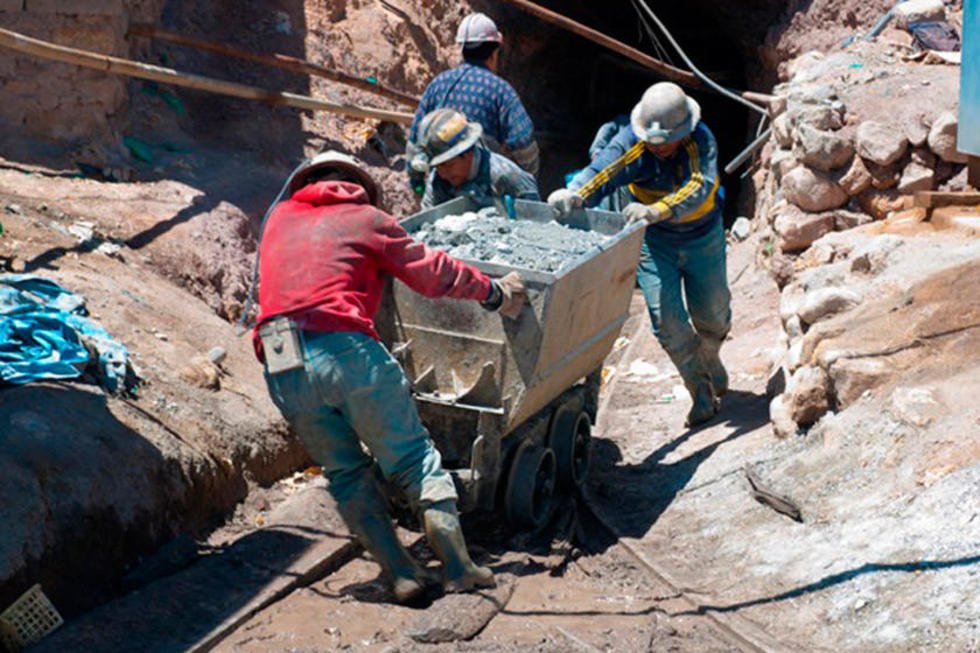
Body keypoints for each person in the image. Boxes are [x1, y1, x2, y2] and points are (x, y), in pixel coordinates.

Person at [253, 150, 527, 603]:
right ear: (357, 185)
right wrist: (493, 291)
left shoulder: (278, 216)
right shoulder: (367, 218)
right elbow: (430, 273)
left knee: (344, 472)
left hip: (280, 359)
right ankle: (459, 567)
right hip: (344, 347)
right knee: (413, 459)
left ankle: (399, 572)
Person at [547, 82, 731, 427]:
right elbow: (604, 169)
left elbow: (699, 185)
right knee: (666, 319)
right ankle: (699, 389)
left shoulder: (700, 140)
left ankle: (710, 357)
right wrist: (573, 194)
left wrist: (658, 208)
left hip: (701, 235)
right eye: (652, 142)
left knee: (714, 313)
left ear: (684, 130)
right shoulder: (633, 142)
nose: (658, 149)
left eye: (666, 143)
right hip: (656, 241)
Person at [406, 12, 539, 193]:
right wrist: (526, 177)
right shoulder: (500, 90)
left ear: (462, 49)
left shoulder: (437, 85)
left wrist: (417, 183)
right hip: (486, 186)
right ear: (494, 52)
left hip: (442, 185)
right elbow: (523, 143)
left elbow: (416, 140)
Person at [415, 108, 540, 210]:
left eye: (448, 165)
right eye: (437, 167)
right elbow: (428, 220)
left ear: (468, 154)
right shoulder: (437, 181)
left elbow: (537, 222)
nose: (442, 174)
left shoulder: (507, 177)